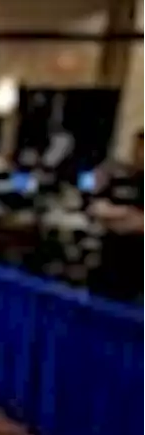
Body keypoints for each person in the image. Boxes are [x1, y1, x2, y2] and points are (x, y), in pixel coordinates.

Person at [88, 128, 145, 303]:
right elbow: (96, 207)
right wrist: (125, 213)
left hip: (138, 269)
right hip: (109, 261)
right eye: (138, 147)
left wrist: (118, 217)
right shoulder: (120, 177)